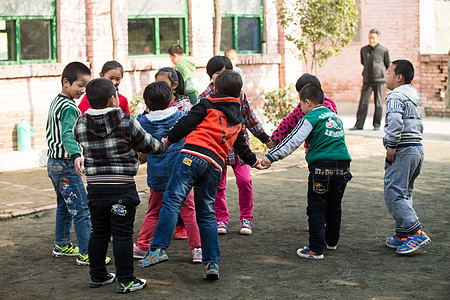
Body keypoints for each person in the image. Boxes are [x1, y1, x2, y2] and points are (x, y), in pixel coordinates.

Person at [138, 71, 263, 280]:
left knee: (171, 201)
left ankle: (158, 249)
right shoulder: (237, 118)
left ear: (215, 88)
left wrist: (167, 141)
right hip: (215, 166)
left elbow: (185, 124)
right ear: (238, 93)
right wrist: (256, 162)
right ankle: (211, 262)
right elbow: (242, 148)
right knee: (206, 213)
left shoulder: (206, 104)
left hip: (191, 157)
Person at [73, 78, 166, 293]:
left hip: (95, 188)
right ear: (112, 98)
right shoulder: (126, 121)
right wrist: (163, 145)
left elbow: (77, 137)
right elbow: (149, 145)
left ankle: (98, 276)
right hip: (121, 187)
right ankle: (126, 280)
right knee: (123, 234)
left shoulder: (81, 123)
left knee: (99, 232)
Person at [261, 83, 352, 260]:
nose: (301, 109)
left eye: (301, 104)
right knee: (334, 205)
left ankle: (315, 249)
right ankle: (331, 242)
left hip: (321, 169)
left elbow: (292, 141)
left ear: (308, 102)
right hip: (343, 168)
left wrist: (270, 157)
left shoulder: (310, 118)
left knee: (316, 208)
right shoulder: (334, 117)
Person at [198, 56, 270, 235]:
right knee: (217, 185)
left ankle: (247, 218)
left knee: (245, 180)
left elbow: (251, 119)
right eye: (217, 73)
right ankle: (220, 219)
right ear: (210, 76)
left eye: (225, 72)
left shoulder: (240, 95)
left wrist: (265, 139)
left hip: (240, 148)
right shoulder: (204, 98)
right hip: (217, 149)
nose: (222, 76)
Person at [133, 81, 202, 263]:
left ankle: (142, 245)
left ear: (147, 102)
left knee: (154, 210)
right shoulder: (180, 116)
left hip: (157, 175)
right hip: (180, 174)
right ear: (171, 99)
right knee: (188, 211)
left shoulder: (143, 121)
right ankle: (197, 248)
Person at [46, 61, 97, 265]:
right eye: (80, 85)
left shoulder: (56, 101)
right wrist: (76, 154)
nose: (83, 91)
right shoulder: (69, 108)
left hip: (53, 165)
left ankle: (62, 244)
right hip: (66, 165)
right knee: (81, 208)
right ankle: (87, 253)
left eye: (86, 86)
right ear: (66, 82)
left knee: (64, 205)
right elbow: (68, 134)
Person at [383, 60, 431, 254]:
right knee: (405, 193)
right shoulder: (412, 96)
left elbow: (395, 121)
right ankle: (403, 234)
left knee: (393, 193)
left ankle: (416, 232)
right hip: (416, 149)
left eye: (389, 72)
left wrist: (391, 145)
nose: (386, 76)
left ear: (399, 77)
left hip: (402, 149)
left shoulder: (395, 96)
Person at [268, 73, 338, 149]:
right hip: (312, 151)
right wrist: (275, 139)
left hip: (326, 150)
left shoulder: (327, 106)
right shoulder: (302, 107)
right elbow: (289, 121)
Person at [351, 28, 390, 131]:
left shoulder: (384, 50)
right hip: (367, 80)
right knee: (363, 102)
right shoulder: (364, 50)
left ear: (378, 38)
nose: (371, 40)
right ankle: (359, 125)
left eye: (373, 38)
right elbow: (363, 62)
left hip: (380, 81)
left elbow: (387, 64)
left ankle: (376, 125)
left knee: (378, 103)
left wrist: (379, 72)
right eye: (369, 38)